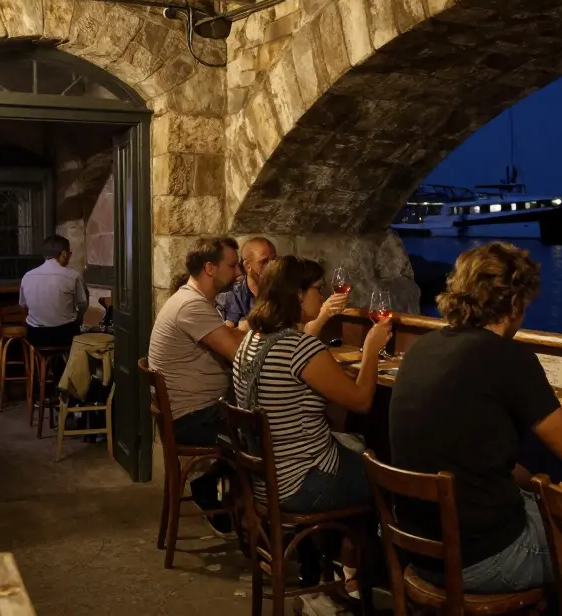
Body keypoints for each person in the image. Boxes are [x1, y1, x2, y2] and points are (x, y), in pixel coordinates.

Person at [389, 242, 562, 616]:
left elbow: (479, 459)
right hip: (483, 557)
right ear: (513, 305)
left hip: (418, 547)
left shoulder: (423, 348)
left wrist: (549, 488)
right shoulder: (507, 356)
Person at [232, 255, 391, 588]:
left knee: (356, 447)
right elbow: (362, 401)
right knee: (387, 477)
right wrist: (372, 349)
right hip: (301, 483)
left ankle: (332, 562)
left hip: (267, 480)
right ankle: (366, 573)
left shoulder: (250, 341)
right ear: (297, 294)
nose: (321, 297)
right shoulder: (298, 347)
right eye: (317, 289)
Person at [148, 236, 245, 534]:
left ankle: (215, 492)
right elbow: (237, 353)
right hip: (192, 418)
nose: (239, 272)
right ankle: (258, 525)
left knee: (260, 426)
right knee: (268, 433)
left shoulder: (193, 300)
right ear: (210, 268)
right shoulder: (191, 306)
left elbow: (232, 343)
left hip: (191, 412)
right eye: (232, 265)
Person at [218, 237, 348, 337]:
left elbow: (298, 330)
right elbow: (228, 334)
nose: (271, 266)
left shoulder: (282, 291)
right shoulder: (234, 295)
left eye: (273, 260)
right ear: (247, 266)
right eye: (264, 262)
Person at [20, 235, 88, 349]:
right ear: (64, 254)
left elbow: (23, 306)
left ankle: (43, 365)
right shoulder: (73, 276)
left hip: (35, 336)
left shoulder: (27, 276)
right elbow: (83, 305)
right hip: (64, 335)